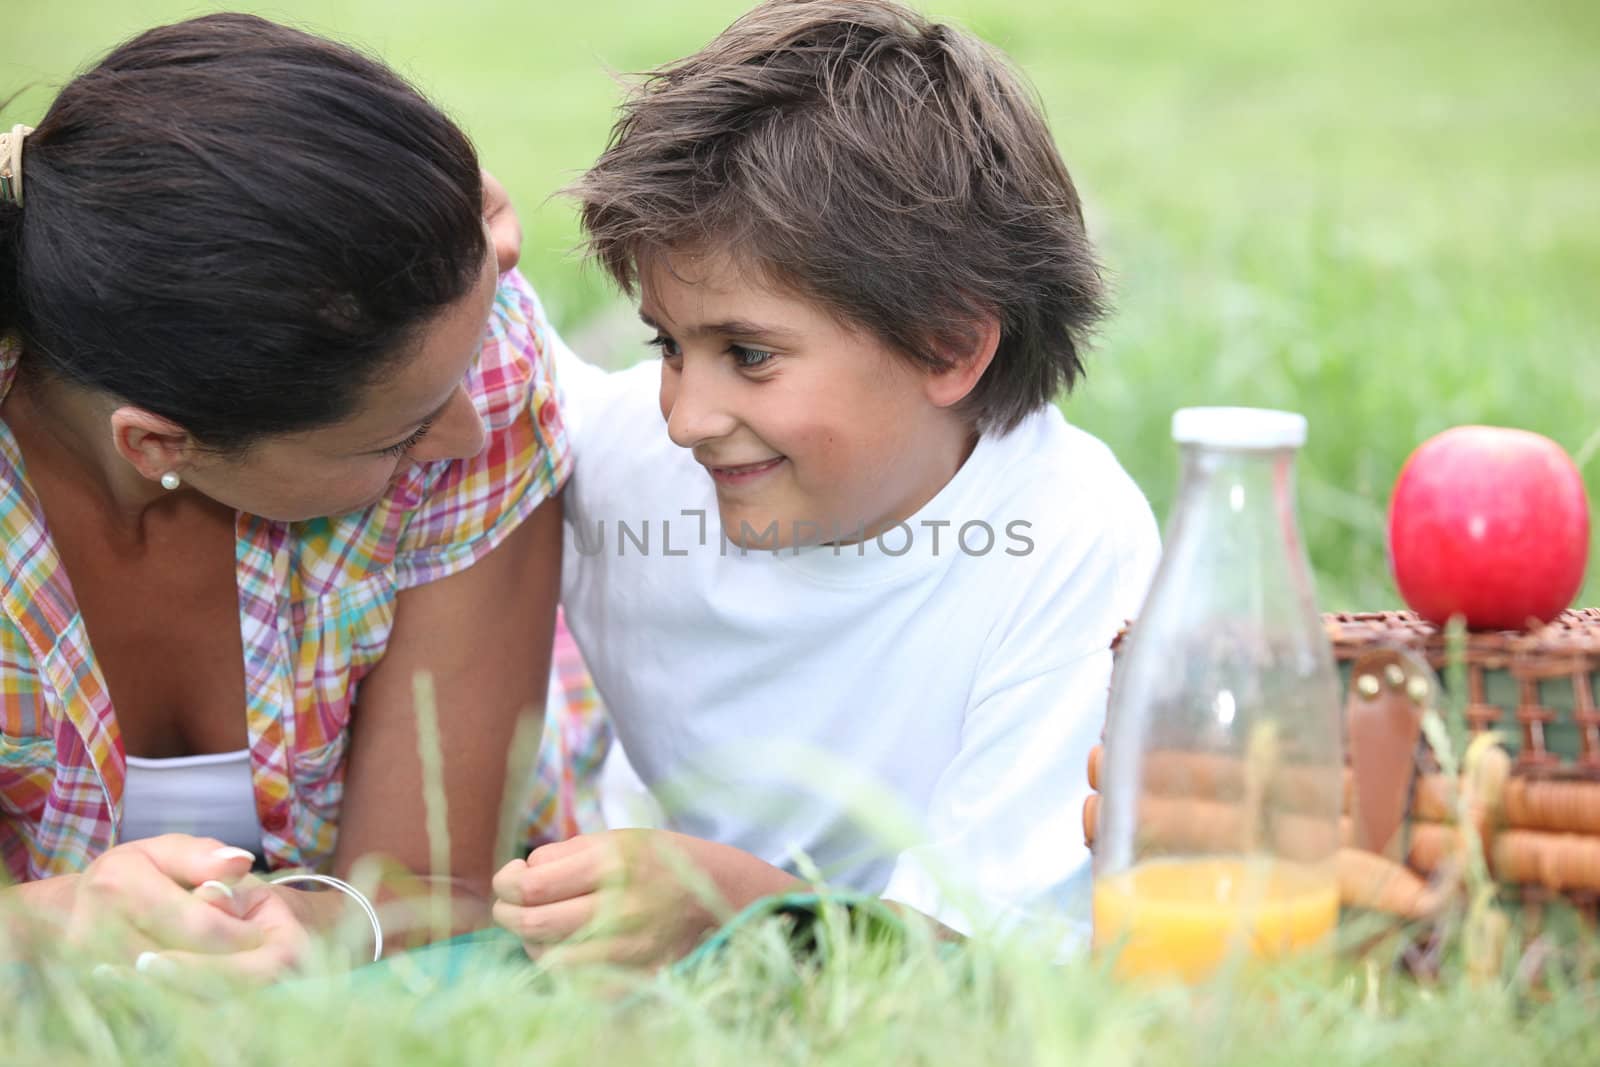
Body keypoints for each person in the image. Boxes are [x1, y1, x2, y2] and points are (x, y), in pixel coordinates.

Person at [493, 0, 1161, 965]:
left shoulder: (1067, 543)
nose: (685, 418)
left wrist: (739, 909)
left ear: (949, 344)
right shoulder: (622, 448)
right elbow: (464, 326)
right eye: (668, 344)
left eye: (750, 354)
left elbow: (998, 974)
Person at [0, 13, 580, 980]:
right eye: (396, 436)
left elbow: (434, 884)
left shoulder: (470, 370)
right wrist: (53, 928)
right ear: (158, 443)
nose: (470, 438)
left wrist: (313, 932)